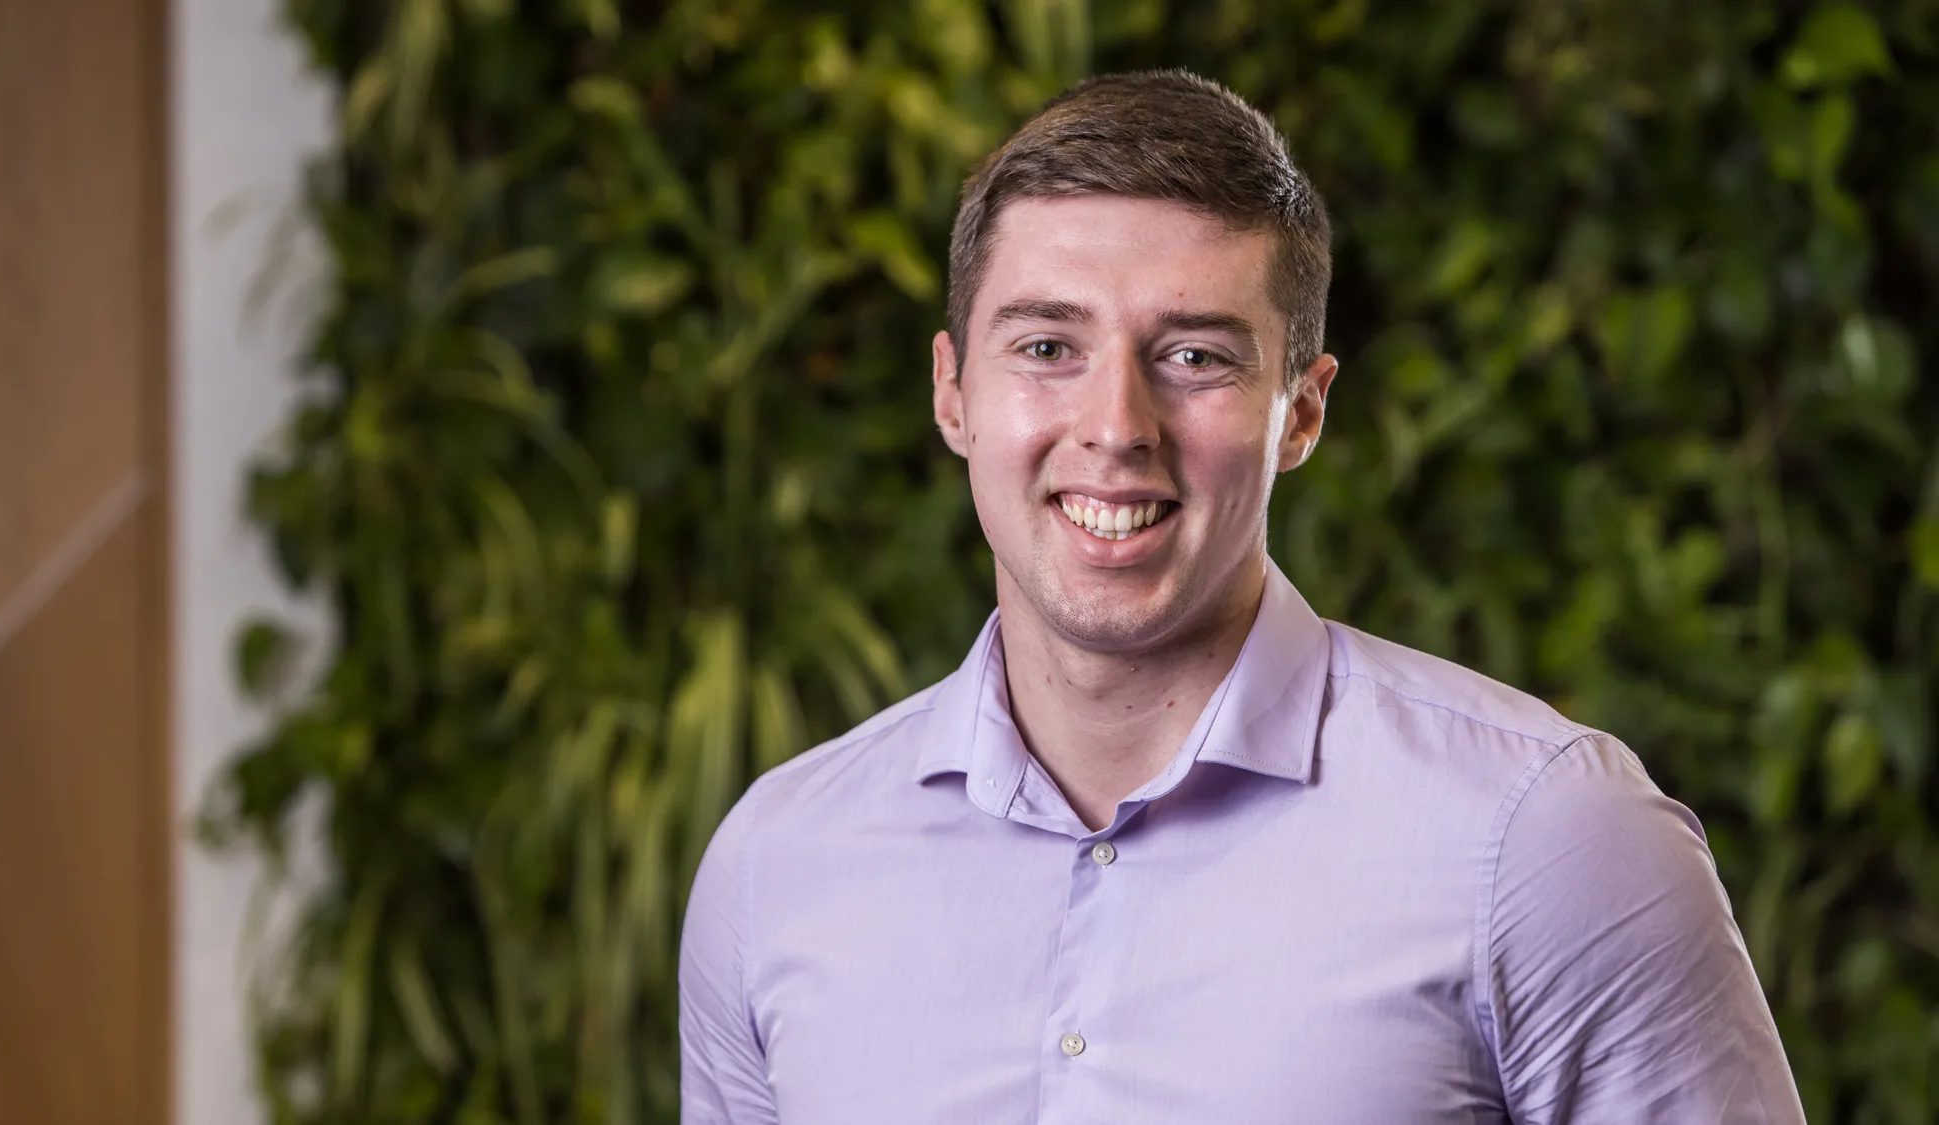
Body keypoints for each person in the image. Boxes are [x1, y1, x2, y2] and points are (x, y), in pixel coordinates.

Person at [679, 69, 1803, 1123]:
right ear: (952, 391)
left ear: (1301, 412)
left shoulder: (1546, 840)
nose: (1115, 428)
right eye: (1047, 346)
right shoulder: (776, 869)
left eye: (1196, 358)